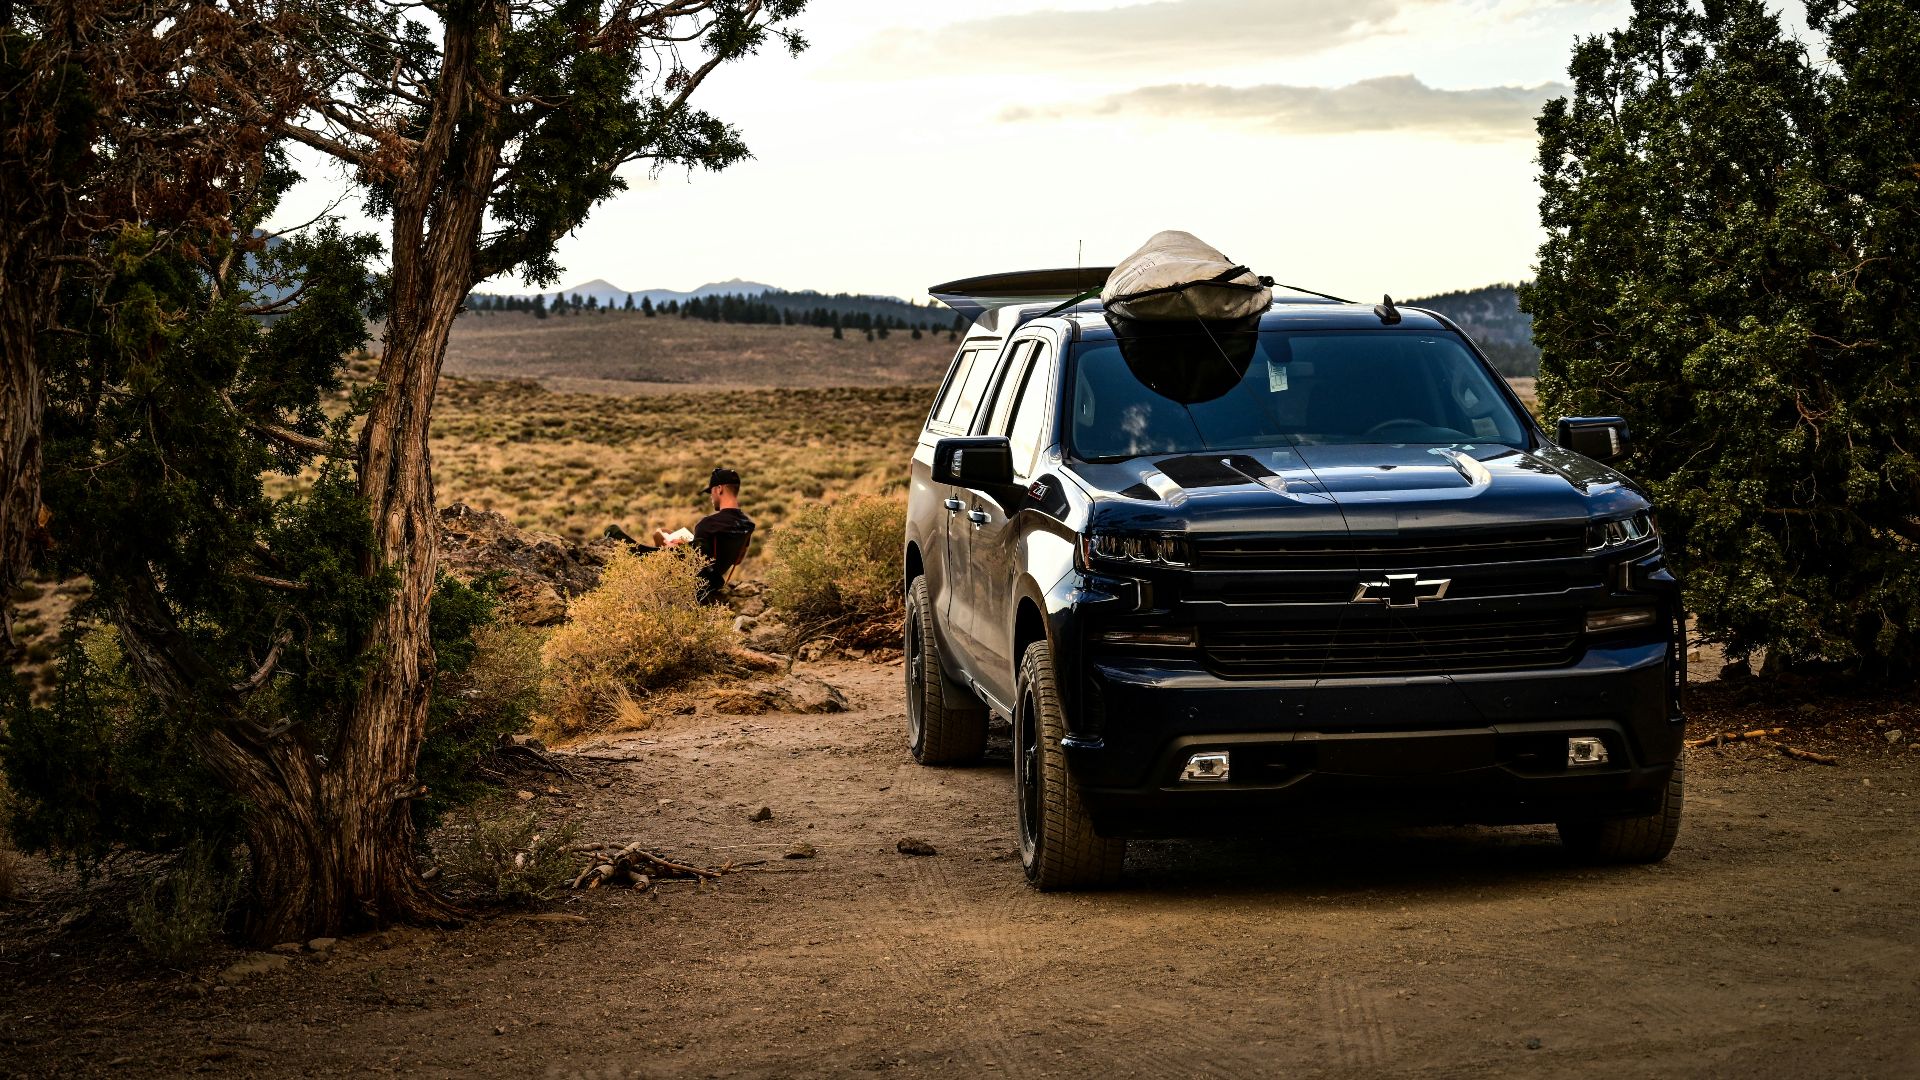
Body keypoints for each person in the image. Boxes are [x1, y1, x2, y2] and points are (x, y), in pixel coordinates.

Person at [604, 467, 755, 602]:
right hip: (714, 580)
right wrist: (687, 547)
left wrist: (676, 550)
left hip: (695, 586)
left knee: (613, 531)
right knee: (664, 533)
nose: (711, 497)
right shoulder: (747, 525)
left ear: (719, 489)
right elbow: (737, 561)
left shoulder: (708, 524)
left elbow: (699, 563)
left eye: (711, 492)